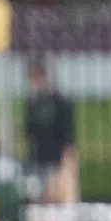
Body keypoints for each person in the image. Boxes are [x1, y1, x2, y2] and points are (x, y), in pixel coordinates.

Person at [22, 58, 77, 207]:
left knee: (55, 196)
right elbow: (28, 131)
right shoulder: (32, 103)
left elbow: (68, 134)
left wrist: (67, 161)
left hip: (55, 159)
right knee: (38, 195)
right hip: (37, 158)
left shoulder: (61, 102)